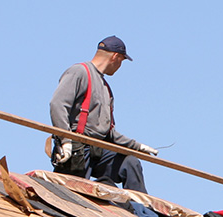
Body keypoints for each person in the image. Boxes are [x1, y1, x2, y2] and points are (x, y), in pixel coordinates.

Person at [50, 35, 157, 193]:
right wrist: (66, 140)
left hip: (98, 150)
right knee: (72, 194)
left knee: (130, 162)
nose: (120, 66)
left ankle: (142, 209)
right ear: (115, 57)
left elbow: (108, 131)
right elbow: (58, 104)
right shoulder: (79, 72)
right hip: (77, 148)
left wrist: (136, 146)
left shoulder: (105, 87)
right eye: (121, 61)